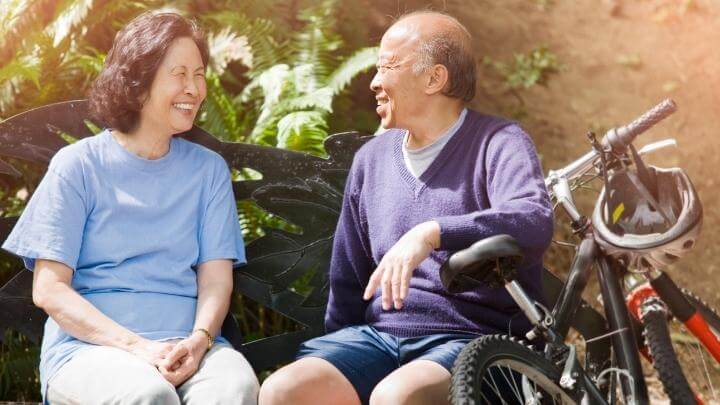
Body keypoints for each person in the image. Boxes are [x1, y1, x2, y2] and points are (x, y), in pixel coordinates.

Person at [258, 10, 554, 405]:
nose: (375, 81)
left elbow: (532, 218)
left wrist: (433, 233)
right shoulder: (371, 159)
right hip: (378, 339)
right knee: (285, 390)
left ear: (435, 78)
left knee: (397, 396)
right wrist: (337, 353)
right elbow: (348, 282)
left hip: (474, 339)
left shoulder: (499, 142)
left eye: (388, 67)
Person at [2, 12, 259, 405]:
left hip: (190, 350)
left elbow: (216, 280)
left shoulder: (207, 171)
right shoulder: (78, 166)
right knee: (149, 394)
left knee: (234, 388)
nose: (194, 88)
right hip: (90, 352)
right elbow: (50, 289)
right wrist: (137, 347)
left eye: (200, 74)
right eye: (179, 74)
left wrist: (200, 340)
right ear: (138, 82)